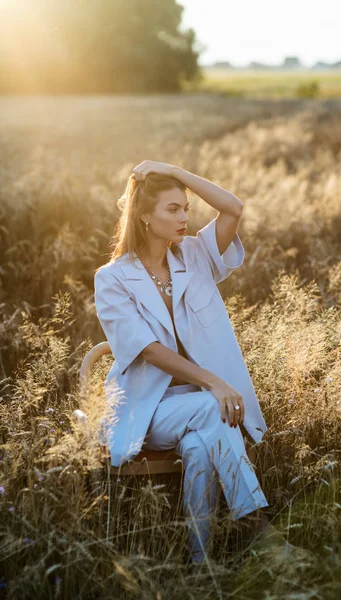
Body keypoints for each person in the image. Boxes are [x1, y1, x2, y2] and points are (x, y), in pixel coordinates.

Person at [94, 160, 272, 563]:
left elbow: (233, 208)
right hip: (148, 410)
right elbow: (149, 350)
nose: (184, 217)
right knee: (213, 409)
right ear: (144, 218)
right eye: (172, 209)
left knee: (198, 446)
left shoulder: (194, 256)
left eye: (186, 208)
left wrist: (173, 171)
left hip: (200, 408)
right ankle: (260, 530)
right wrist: (213, 382)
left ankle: (199, 564)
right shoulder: (112, 278)